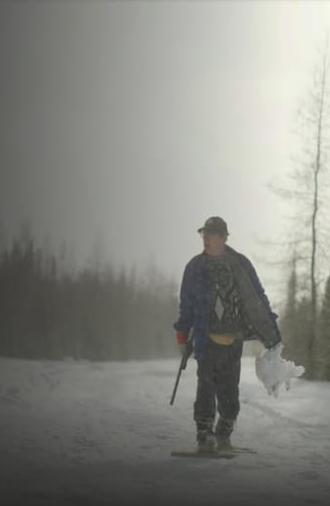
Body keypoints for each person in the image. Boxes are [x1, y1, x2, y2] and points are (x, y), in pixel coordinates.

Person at [173, 216, 282, 452]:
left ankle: (224, 432)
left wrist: (271, 332)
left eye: (210, 235)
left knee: (229, 391)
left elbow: (256, 298)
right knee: (205, 387)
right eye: (203, 235)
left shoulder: (240, 264)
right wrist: (182, 334)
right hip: (205, 338)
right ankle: (204, 433)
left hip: (233, 340)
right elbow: (186, 304)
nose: (205, 239)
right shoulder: (195, 267)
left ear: (223, 237)